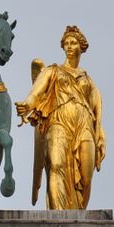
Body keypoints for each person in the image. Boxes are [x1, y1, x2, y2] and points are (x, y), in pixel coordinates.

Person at [16, 25, 105, 209]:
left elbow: (96, 112)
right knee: (56, 166)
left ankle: (78, 213)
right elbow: (36, 93)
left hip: (85, 125)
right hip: (58, 123)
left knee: (86, 177)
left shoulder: (88, 79)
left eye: (73, 43)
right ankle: (59, 217)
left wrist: (100, 135)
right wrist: (27, 105)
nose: (69, 46)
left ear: (82, 47)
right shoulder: (52, 70)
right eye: (66, 43)